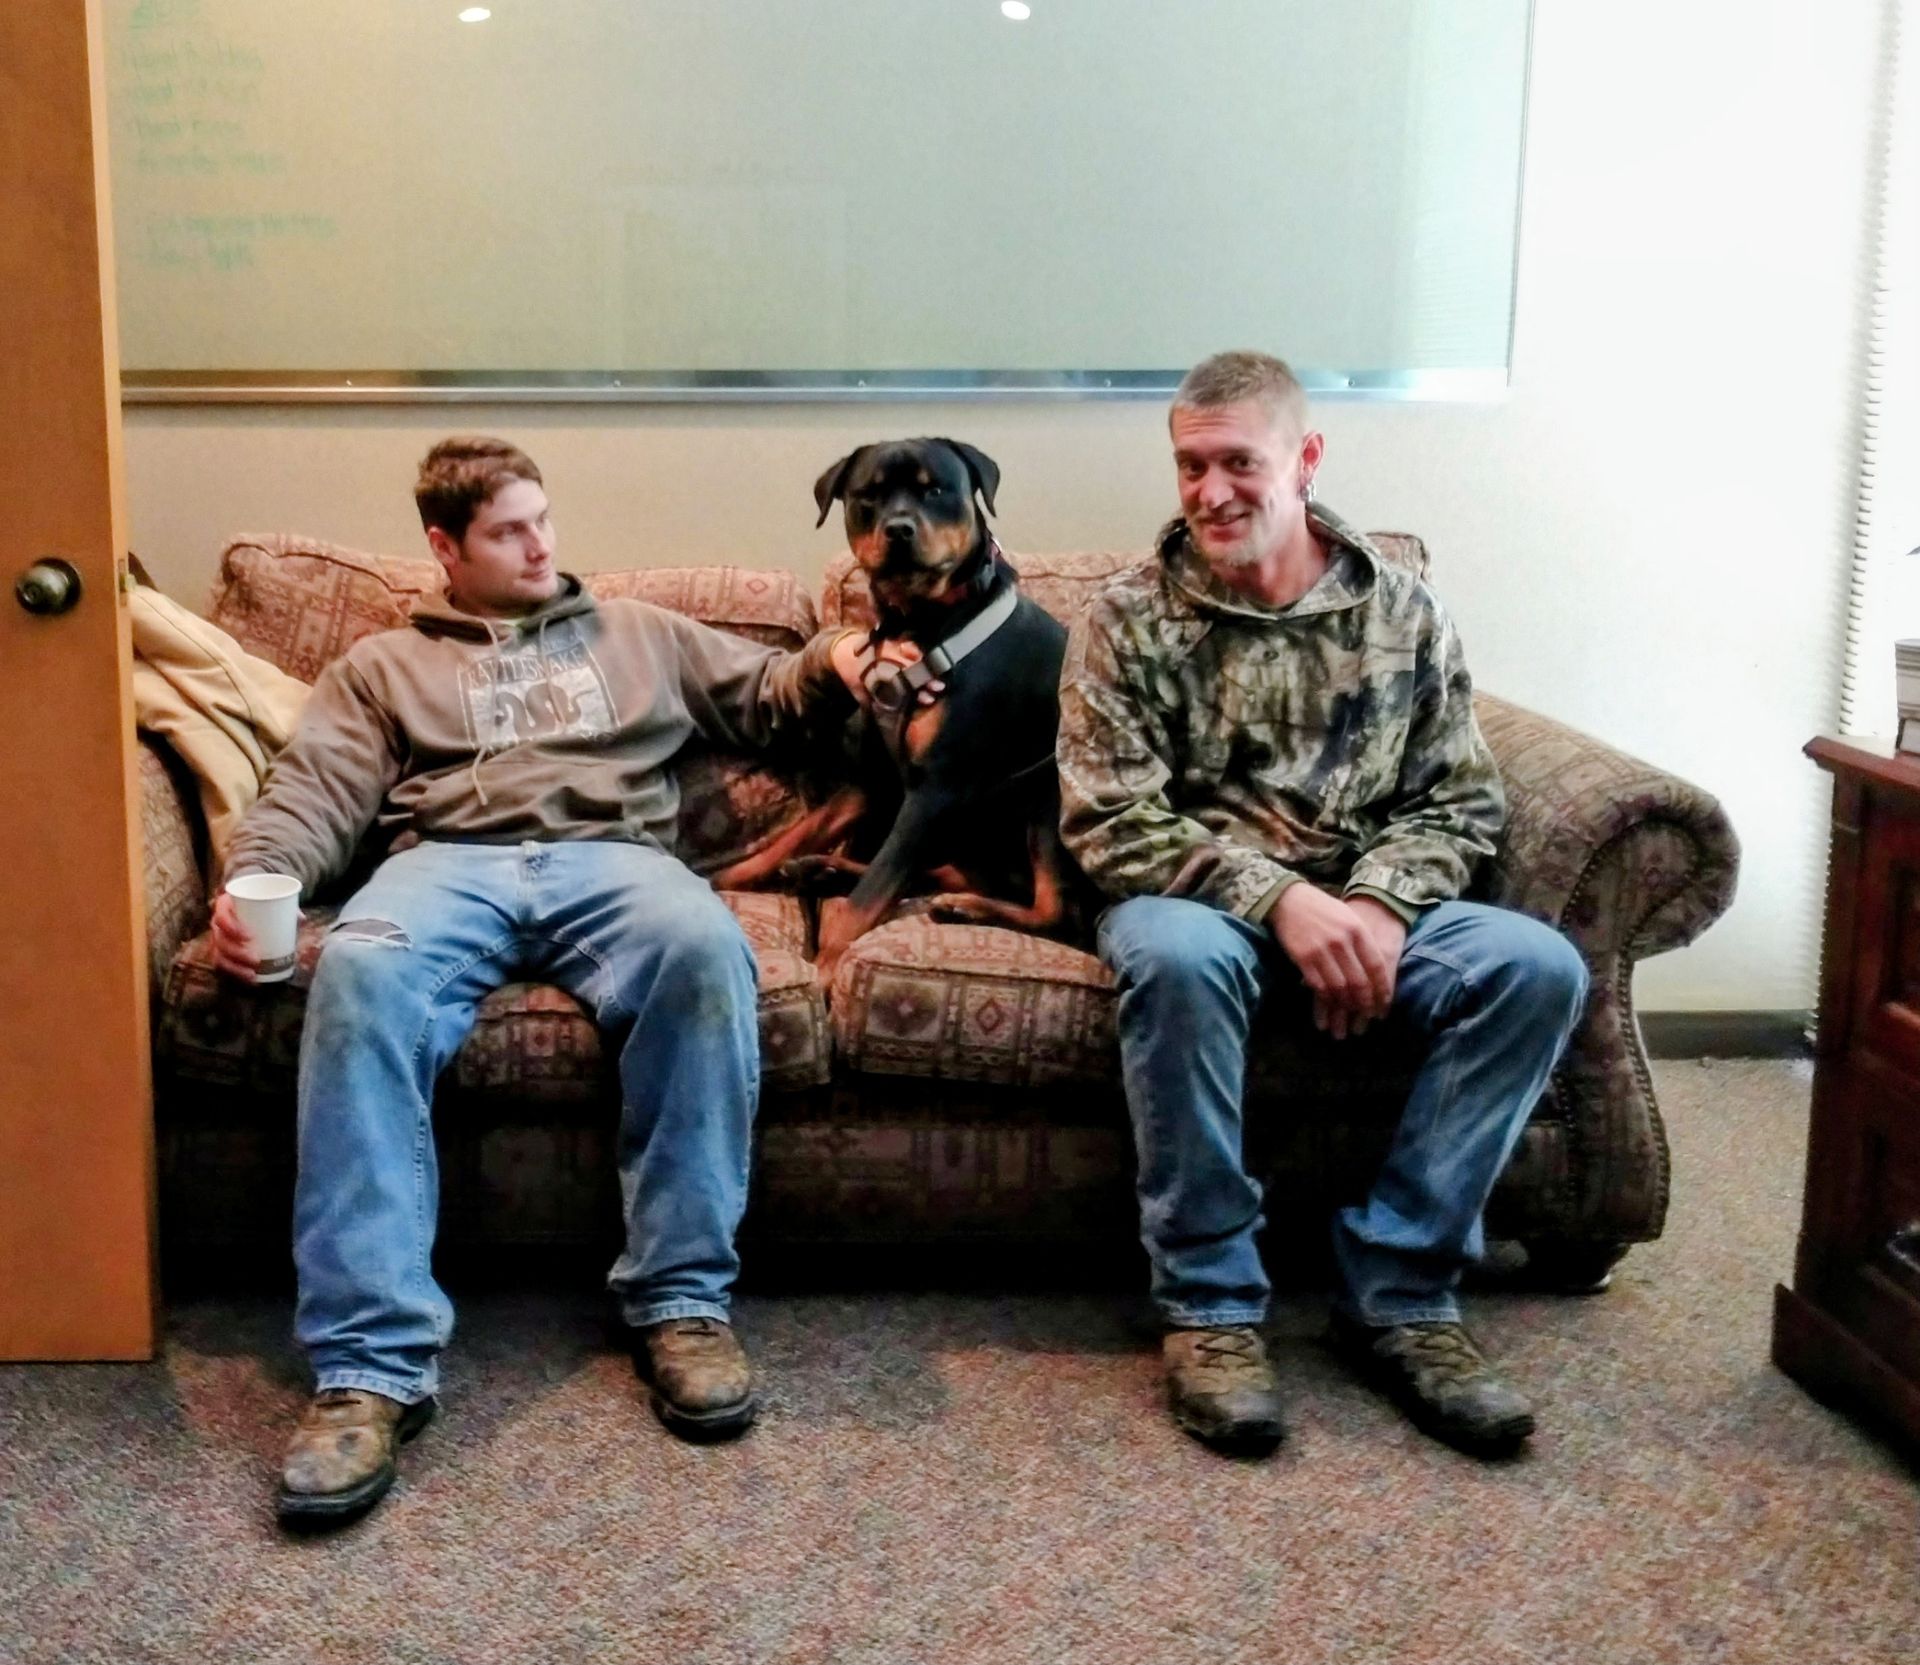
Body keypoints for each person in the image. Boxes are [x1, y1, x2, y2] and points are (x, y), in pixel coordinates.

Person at [212, 436, 894, 1526]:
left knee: (705, 951)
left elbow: (771, 693)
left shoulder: (638, 633)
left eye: (543, 519)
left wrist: (841, 660)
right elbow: (311, 794)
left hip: (616, 862)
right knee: (357, 970)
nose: (542, 546)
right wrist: (261, 882)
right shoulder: (383, 667)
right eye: (507, 532)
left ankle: (680, 1302)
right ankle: (369, 1368)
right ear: (445, 546)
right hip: (444, 867)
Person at [1057, 352, 1588, 1458]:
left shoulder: (1404, 614)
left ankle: (1399, 1297)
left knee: (1535, 967)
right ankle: (1210, 1306)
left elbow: (1461, 799)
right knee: (1176, 957)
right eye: (1189, 466)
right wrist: (1284, 901)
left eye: (1237, 463)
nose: (1210, 493)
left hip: (1373, 901)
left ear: (1303, 460)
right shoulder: (1125, 619)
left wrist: (1380, 907)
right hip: (1197, 907)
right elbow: (1112, 822)